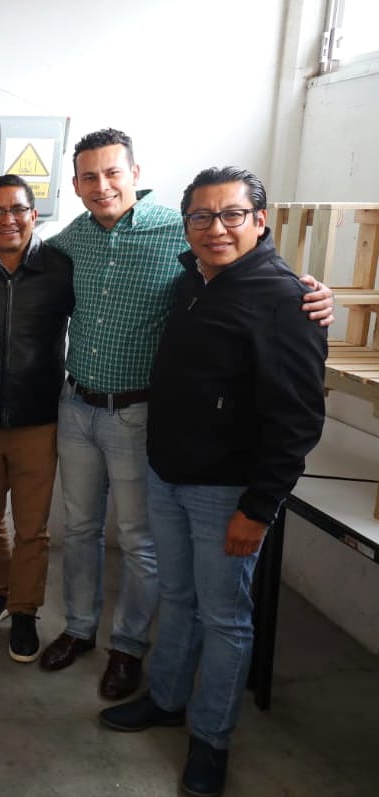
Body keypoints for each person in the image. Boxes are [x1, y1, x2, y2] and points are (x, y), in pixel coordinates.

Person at [41, 129, 334, 702]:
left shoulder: (182, 230)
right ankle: (79, 628)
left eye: (112, 173)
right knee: (78, 529)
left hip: (137, 415)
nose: (102, 186)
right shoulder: (74, 236)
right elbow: (18, 252)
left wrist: (316, 293)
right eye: (89, 177)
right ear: (75, 186)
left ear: (135, 173)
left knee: (137, 541)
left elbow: (249, 261)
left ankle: (128, 648)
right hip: (77, 407)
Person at [99, 167, 326, 797]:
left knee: (225, 618)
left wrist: (260, 507)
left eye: (231, 215)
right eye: (201, 216)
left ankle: (211, 739)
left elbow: (299, 421)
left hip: (227, 492)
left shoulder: (286, 300)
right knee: (179, 598)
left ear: (260, 220)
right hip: (168, 474)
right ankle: (167, 699)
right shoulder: (193, 281)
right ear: (186, 224)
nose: (216, 228)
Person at [0, 174, 74, 663]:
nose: (8, 220)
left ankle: (25, 610)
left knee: (33, 527)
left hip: (38, 420)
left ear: (34, 215)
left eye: (18, 210)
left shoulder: (60, 269)